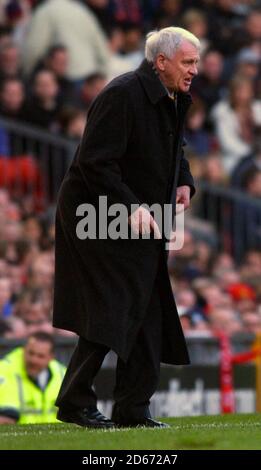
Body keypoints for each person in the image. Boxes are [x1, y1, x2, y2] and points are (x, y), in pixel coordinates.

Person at [53, 27, 200, 428]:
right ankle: (74, 402)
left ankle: (134, 408)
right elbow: (94, 163)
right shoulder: (122, 94)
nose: (195, 70)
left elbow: (175, 147)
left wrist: (184, 178)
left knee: (149, 309)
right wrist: (130, 207)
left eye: (196, 62)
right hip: (95, 213)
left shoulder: (172, 96)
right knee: (113, 304)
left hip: (137, 217)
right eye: (188, 62)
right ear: (162, 62)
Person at [0, 332, 65, 424]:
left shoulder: (62, 374)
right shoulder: (4, 370)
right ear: (23, 349)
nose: (34, 360)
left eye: (40, 356)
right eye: (31, 353)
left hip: (57, 437)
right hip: (18, 436)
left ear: (51, 357)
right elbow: (5, 418)